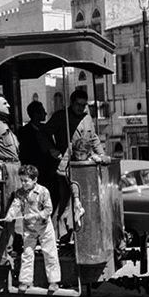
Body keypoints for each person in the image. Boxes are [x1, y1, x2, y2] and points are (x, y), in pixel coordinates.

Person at [46, 89, 107, 217]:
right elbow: (43, 134)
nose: (81, 108)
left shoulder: (87, 118)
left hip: (85, 165)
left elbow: (94, 138)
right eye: (78, 104)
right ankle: (62, 233)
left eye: (84, 105)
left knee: (84, 200)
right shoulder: (61, 116)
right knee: (66, 202)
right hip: (66, 165)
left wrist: (101, 155)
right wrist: (52, 149)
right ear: (72, 103)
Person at [4, 164, 61, 293]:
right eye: (21, 180)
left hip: (44, 227)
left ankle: (54, 281)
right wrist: (10, 215)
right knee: (27, 254)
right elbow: (16, 205)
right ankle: (25, 281)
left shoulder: (43, 191)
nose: (23, 183)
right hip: (29, 229)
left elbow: (48, 209)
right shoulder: (20, 193)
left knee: (50, 253)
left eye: (26, 181)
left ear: (34, 180)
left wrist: (36, 215)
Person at [17, 100, 61, 198]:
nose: (45, 113)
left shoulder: (46, 129)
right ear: (36, 114)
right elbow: (25, 153)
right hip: (34, 172)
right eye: (42, 111)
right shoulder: (24, 132)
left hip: (49, 172)